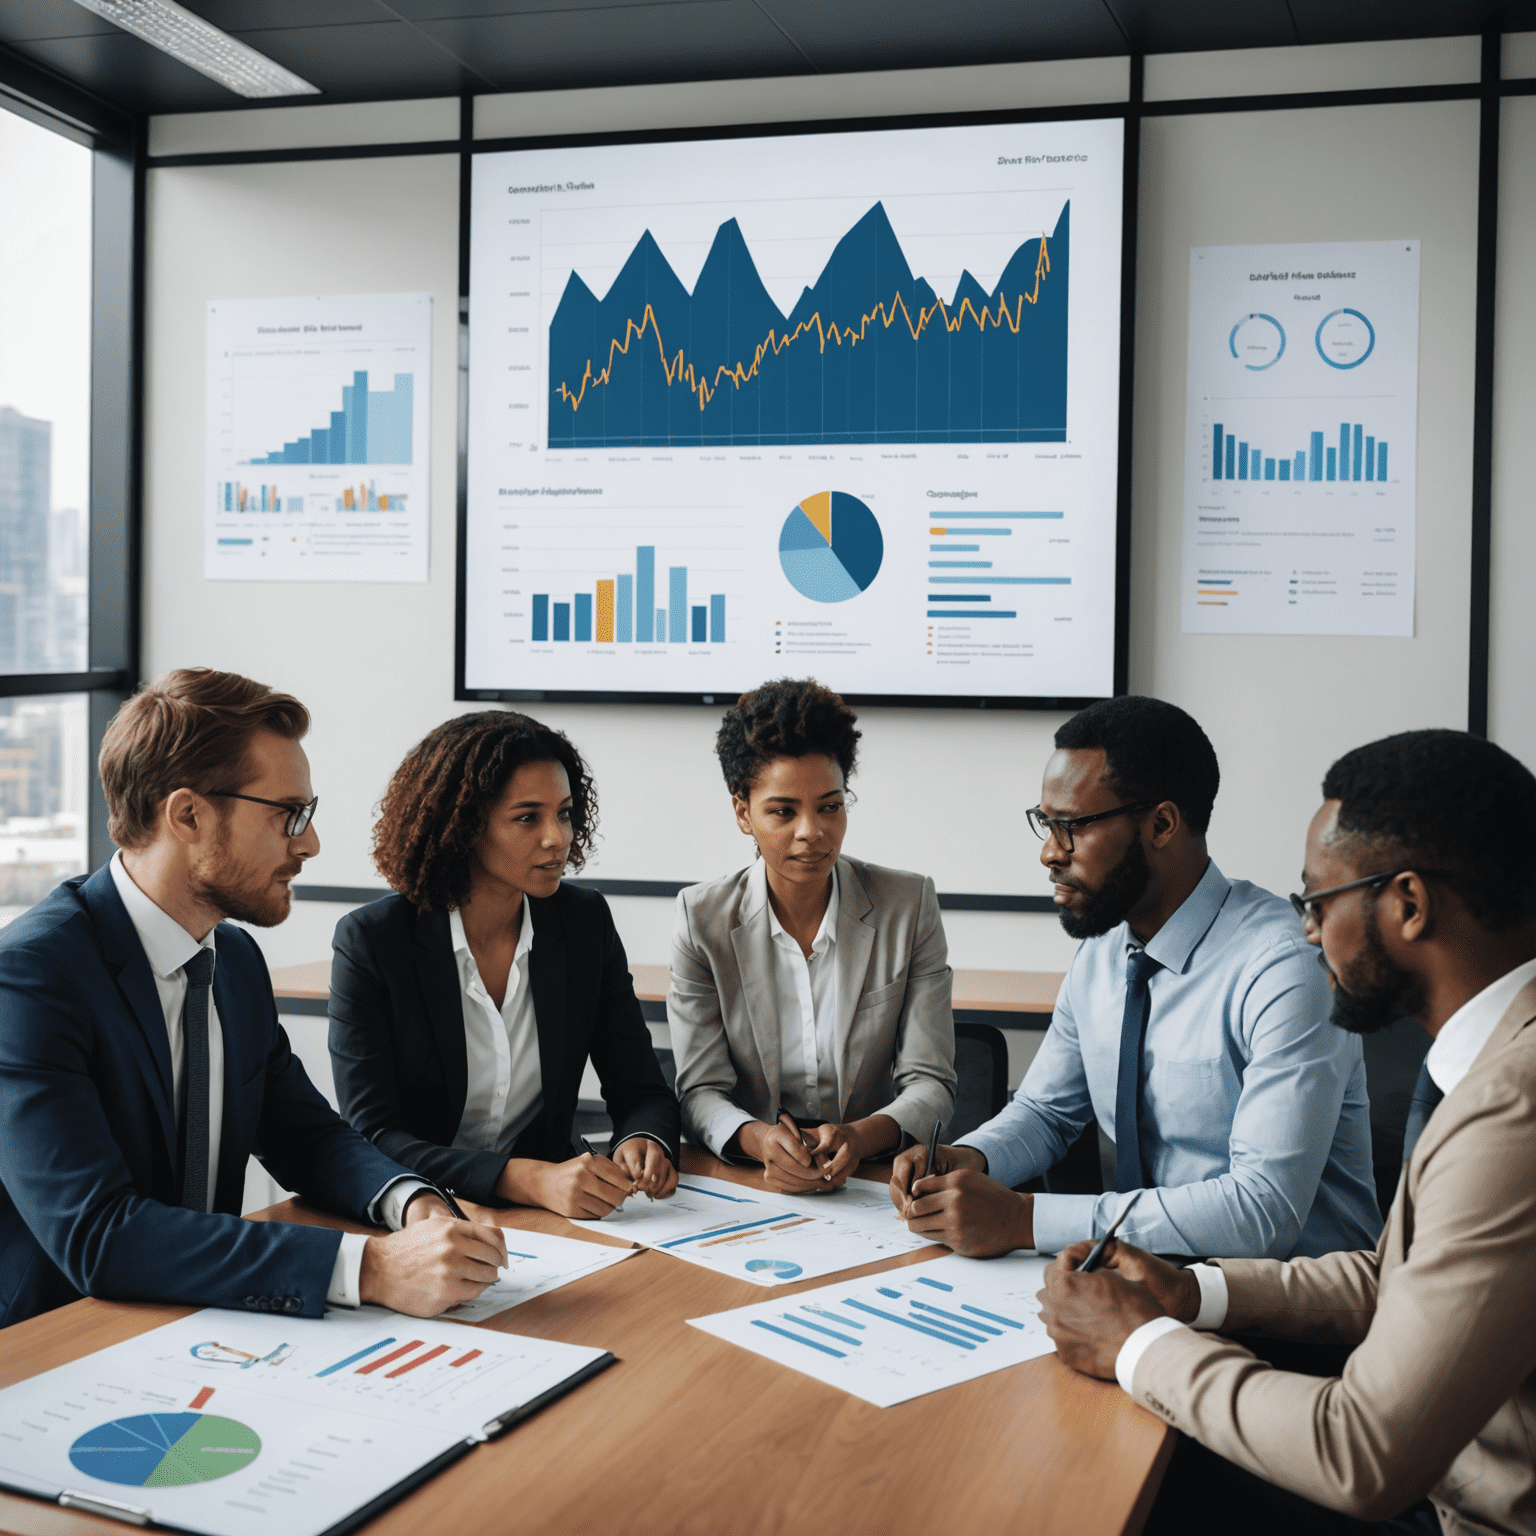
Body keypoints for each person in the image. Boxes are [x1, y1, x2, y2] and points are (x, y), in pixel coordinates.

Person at [1037, 729, 1536, 1536]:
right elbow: (1399, 1275)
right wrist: (1190, 1292)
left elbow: (1362, 1453)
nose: (1308, 931)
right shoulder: (1491, 1055)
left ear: (1407, 904)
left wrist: (1139, 1343)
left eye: (1319, 900)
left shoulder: (1514, 1109)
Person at [0, 669, 508, 1329]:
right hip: (62, 1344)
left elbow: (306, 1136)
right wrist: (371, 1269)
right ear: (187, 815)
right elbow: (99, 1234)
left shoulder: (231, 959)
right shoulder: (31, 979)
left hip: (206, 1320)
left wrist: (415, 1205)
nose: (310, 843)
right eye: (288, 815)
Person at [892, 695, 1381, 1261]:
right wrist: (972, 1158)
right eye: (1046, 824)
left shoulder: (1284, 968)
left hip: (1288, 1310)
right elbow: (1047, 1113)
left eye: (1072, 827)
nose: (1050, 853)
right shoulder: (1103, 951)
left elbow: (1262, 1210)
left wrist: (1025, 1219)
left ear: (1162, 824)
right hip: (1145, 1286)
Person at [329, 711, 680, 1221]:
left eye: (563, 814)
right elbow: (373, 1136)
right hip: (425, 1215)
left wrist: (643, 1138)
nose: (556, 838)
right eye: (527, 818)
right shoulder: (373, 941)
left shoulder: (584, 923)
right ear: (464, 825)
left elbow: (640, 1088)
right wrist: (525, 1177)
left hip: (554, 1216)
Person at [669, 678, 956, 1194]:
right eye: (783, 812)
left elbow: (930, 1082)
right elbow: (699, 1090)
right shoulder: (701, 918)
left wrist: (861, 1137)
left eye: (830, 806)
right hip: (749, 1180)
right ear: (743, 813)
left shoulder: (906, 906)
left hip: (872, 1178)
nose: (812, 831)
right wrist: (758, 1140)